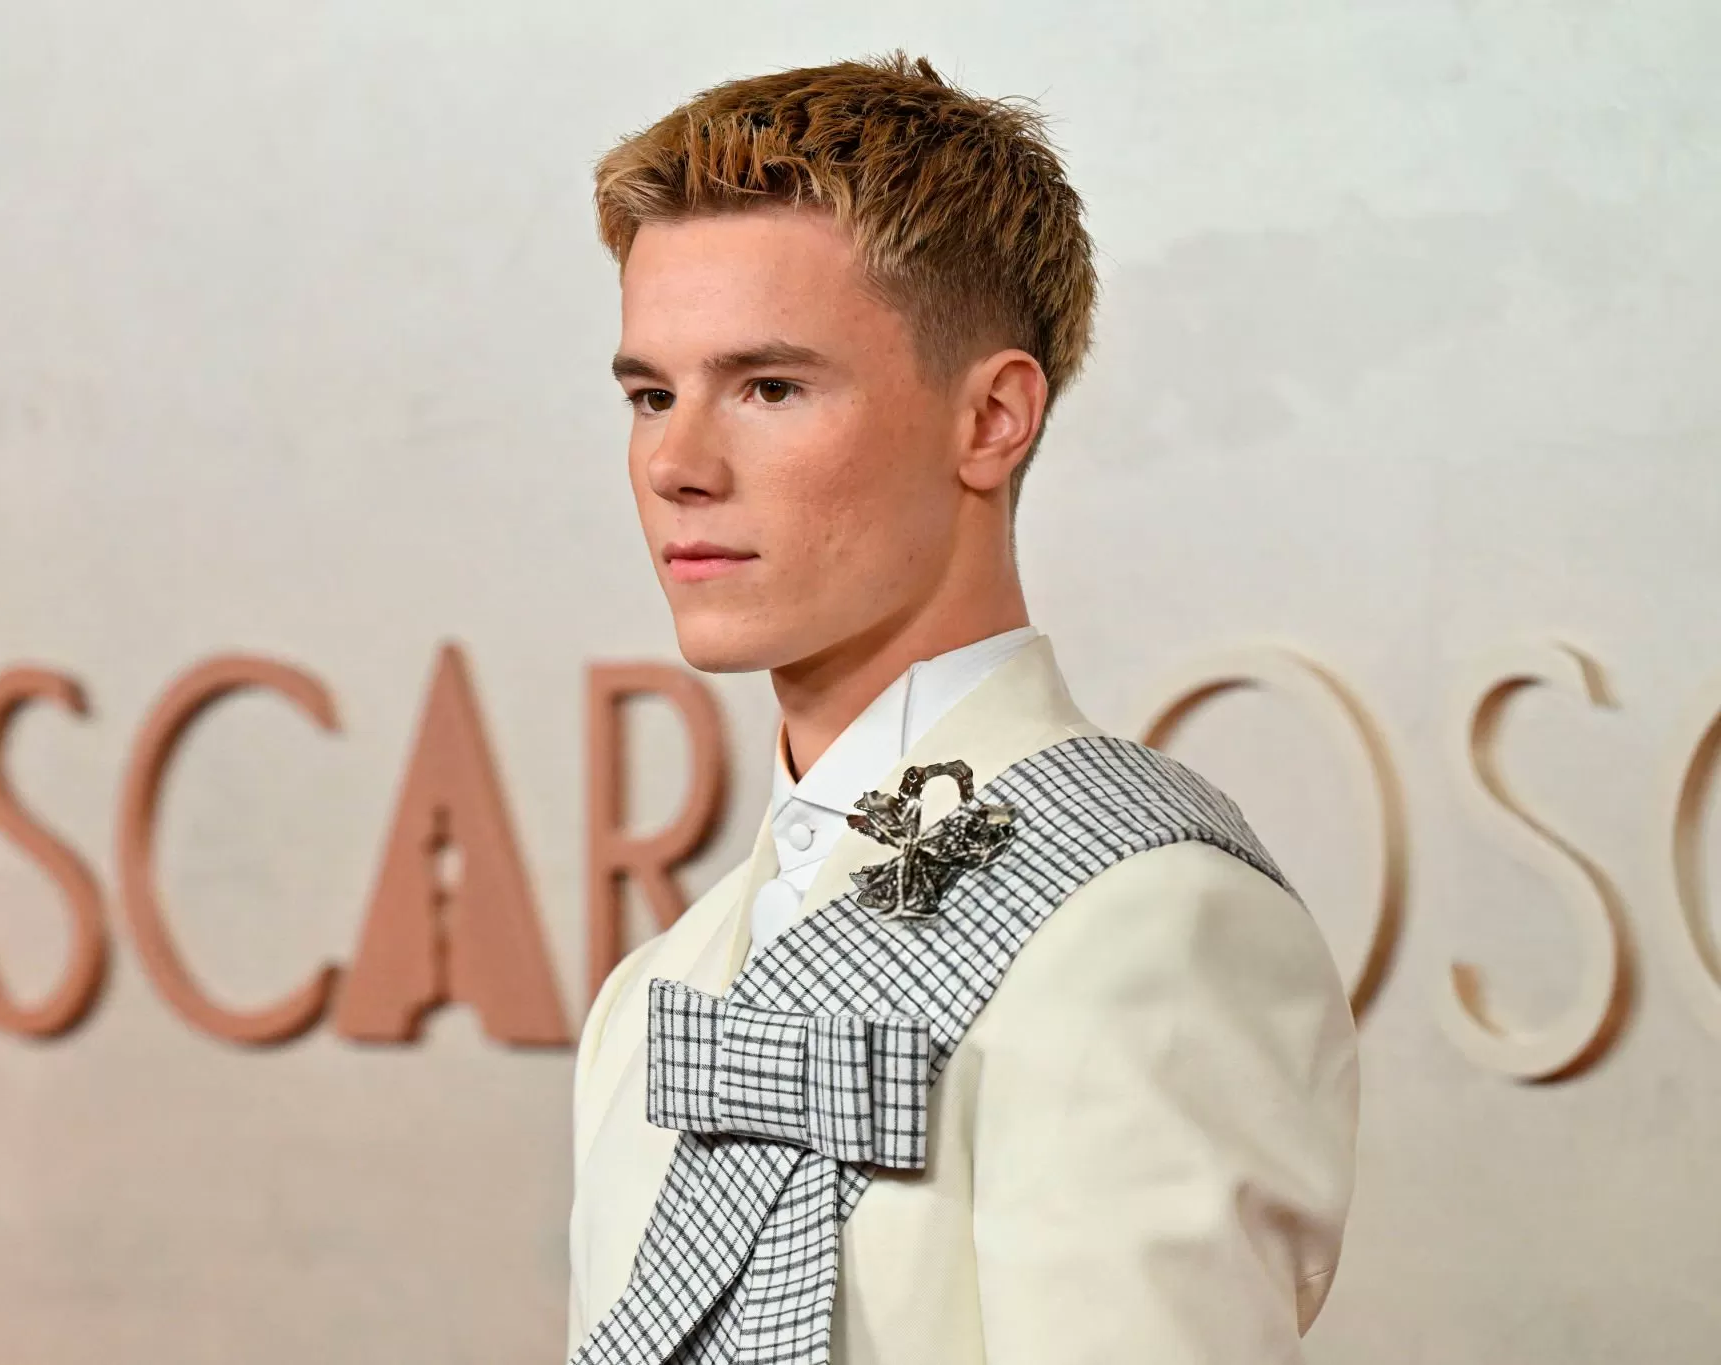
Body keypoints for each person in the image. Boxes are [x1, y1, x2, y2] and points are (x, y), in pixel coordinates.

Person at [566, 54, 1358, 1365]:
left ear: (991, 417)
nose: (674, 465)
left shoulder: (1152, 927)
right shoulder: (662, 982)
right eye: (652, 393)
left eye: (770, 387)